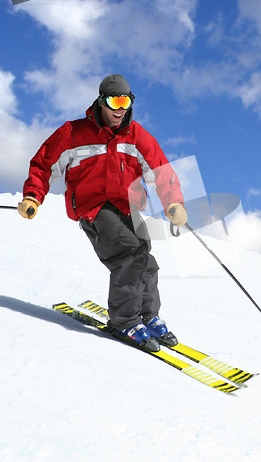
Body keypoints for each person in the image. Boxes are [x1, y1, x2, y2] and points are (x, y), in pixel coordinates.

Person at [18, 74, 188, 352]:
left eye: (125, 101)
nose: (120, 109)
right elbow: (44, 164)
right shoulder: (73, 132)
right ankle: (125, 321)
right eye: (114, 101)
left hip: (126, 207)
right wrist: (32, 196)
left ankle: (147, 315)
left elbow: (161, 171)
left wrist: (174, 203)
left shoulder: (137, 136)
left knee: (146, 257)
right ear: (101, 101)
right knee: (129, 255)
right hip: (93, 207)